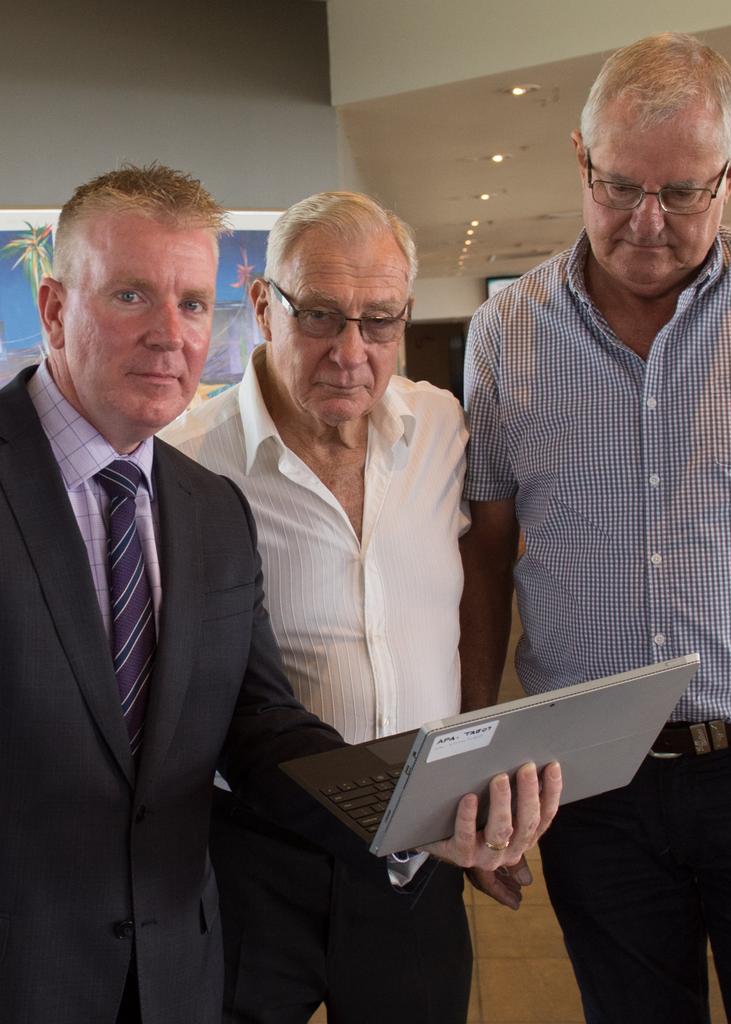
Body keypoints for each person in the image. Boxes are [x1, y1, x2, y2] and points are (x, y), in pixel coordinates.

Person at [0, 165, 561, 1024]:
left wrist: (418, 812)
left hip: (178, 958)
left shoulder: (201, 506)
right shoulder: (200, 454)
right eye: (129, 296)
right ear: (53, 310)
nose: (170, 335)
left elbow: (259, 723)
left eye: (191, 303)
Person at [162, 190, 535, 1024]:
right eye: (322, 315)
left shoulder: (442, 427)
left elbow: (483, 577)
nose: (352, 352)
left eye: (381, 321)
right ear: (262, 304)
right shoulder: (185, 462)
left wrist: (478, 767)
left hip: (418, 860)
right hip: (253, 862)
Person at [460, 31, 731, 1024]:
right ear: (580, 159)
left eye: (683, 192)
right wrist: (473, 762)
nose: (645, 222)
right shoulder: (505, 333)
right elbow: (487, 551)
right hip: (587, 780)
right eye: (617, 185)